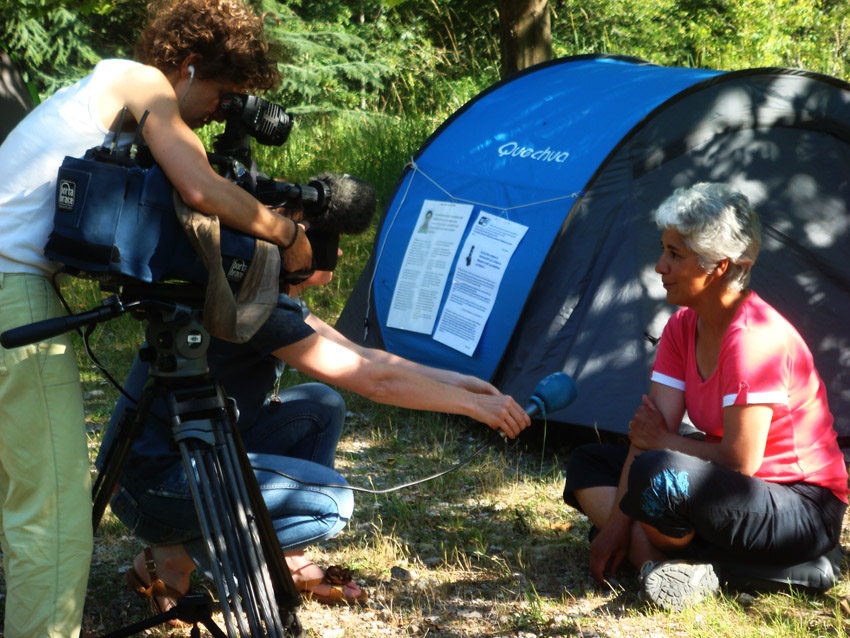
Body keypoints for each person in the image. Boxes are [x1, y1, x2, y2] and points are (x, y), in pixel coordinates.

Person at [0, 1, 310, 635]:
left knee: (23, 494)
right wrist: (288, 237)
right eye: (221, 97)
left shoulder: (101, 96)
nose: (215, 114)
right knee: (53, 518)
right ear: (189, 67)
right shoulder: (140, 81)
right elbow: (199, 188)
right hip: (10, 289)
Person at [104, 254, 532, 617]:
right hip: (153, 488)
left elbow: (365, 357)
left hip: (176, 464)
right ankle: (174, 556)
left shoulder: (265, 293)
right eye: (327, 240)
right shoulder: (255, 308)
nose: (340, 253)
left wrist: (459, 383)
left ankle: (283, 557)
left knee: (320, 406)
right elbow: (374, 382)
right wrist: (474, 407)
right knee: (331, 504)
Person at [562, 182, 848, 611]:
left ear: (718, 266)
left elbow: (739, 461)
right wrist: (618, 525)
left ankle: (667, 560)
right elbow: (648, 432)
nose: (660, 266)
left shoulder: (755, 339)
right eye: (664, 250)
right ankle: (664, 561)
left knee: (657, 475)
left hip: (800, 505)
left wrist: (661, 449)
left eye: (675, 255)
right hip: (732, 491)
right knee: (590, 462)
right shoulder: (681, 326)